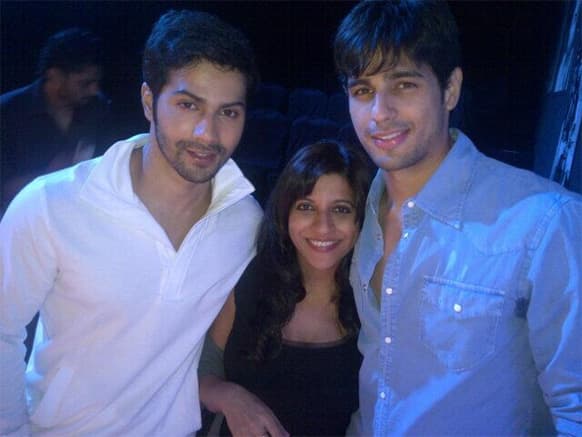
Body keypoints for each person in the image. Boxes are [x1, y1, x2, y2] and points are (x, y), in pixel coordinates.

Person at [0, 9, 261, 435]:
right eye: (187, 104)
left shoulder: (244, 223)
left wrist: (219, 389)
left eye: (228, 113)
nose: (207, 133)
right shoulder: (51, 204)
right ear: (147, 101)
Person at [333, 1, 582, 435]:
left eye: (404, 85)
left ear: (450, 89)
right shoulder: (361, 214)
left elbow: (575, 406)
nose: (380, 112)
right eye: (362, 91)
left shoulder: (543, 222)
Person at [198, 140, 371, 437]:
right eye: (306, 207)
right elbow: (203, 370)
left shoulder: (374, 305)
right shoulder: (249, 280)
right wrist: (230, 397)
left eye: (341, 209)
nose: (323, 227)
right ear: (285, 213)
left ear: (360, 220)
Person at [0, 27, 112, 212]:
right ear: (54, 76)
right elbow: (3, 189)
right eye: (85, 83)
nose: (94, 90)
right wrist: (54, 174)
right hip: (21, 219)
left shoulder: (97, 108)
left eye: (96, 83)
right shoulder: (7, 113)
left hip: (80, 216)